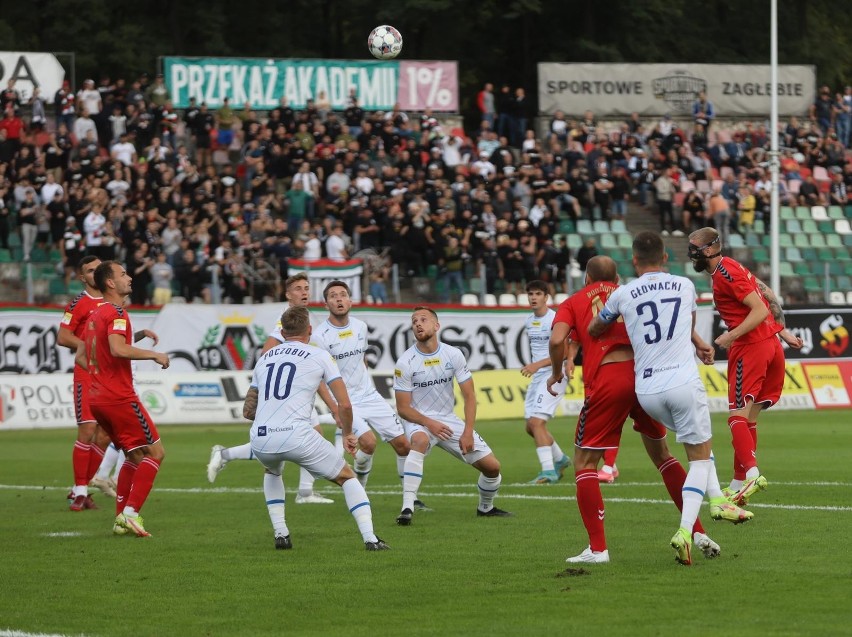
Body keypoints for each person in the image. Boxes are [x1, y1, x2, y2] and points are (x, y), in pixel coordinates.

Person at [588, 233, 752, 565]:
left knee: (700, 445)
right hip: (682, 381)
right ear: (665, 258)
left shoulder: (622, 294)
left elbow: (595, 327)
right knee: (699, 457)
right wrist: (699, 343)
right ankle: (687, 528)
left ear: (634, 261)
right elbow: (683, 323)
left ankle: (719, 496)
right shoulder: (684, 286)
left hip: (647, 392)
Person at [548, 255, 722, 564]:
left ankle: (598, 549)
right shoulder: (628, 292)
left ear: (587, 279)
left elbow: (558, 338)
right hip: (644, 378)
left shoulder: (574, 301)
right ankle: (696, 531)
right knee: (664, 457)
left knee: (584, 463)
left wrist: (557, 371)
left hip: (609, 380)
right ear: (616, 277)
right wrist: (697, 341)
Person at [244, 306, 389, 551]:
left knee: (272, 471)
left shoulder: (265, 358)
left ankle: (281, 534)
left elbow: (248, 411)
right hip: (297, 436)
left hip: (261, 437)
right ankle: (370, 539)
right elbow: (344, 402)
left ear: (283, 331)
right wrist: (349, 433)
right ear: (309, 330)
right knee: (347, 477)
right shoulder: (318, 355)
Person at [687, 227, 804, 505]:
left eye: (694, 251)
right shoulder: (731, 267)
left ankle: (752, 474)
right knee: (748, 419)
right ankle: (738, 484)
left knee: (735, 416)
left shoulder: (725, 274)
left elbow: (761, 308)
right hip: (770, 345)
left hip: (751, 347)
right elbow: (767, 293)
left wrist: (730, 336)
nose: (692, 256)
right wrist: (782, 331)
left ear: (707, 250)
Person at [207, 273, 337, 504]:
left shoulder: (303, 317)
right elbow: (267, 352)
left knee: (296, 438)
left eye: (306, 288)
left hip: (297, 390)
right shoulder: (286, 319)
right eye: (298, 288)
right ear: (287, 294)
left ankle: (226, 454)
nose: (304, 292)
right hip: (289, 392)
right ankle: (304, 493)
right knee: (290, 440)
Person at [314, 281, 429, 517]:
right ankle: (360, 490)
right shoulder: (319, 336)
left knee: (404, 445)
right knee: (368, 443)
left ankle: (411, 498)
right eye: (333, 296)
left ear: (350, 300)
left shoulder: (360, 326)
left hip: (370, 396)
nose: (339, 299)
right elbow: (318, 378)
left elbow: (361, 359)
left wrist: (366, 383)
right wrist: (335, 407)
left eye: (343, 295)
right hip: (347, 401)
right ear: (326, 304)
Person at [393, 307, 512, 525]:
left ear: (436, 326)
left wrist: (467, 432)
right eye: (414, 321)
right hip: (418, 419)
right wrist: (430, 423)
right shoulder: (405, 362)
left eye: (423, 319)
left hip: (447, 419)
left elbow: (469, 396)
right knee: (419, 440)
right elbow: (403, 408)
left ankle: (485, 508)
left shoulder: (453, 354)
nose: (418, 324)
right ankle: (407, 507)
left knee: (493, 467)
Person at [76, 261, 169, 537]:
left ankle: (120, 518)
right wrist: (154, 354)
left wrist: (99, 371)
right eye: (123, 274)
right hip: (119, 396)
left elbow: (81, 356)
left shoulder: (95, 314)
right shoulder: (116, 312)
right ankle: (130, 514)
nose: (129, 278)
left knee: (133, 453)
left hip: (98, 398)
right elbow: (117, 349)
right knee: (156, 453)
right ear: (110, 283)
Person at [57, 256, 110, 510]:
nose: (95, 273)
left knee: (104, 436)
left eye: (98, 269)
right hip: (87, 375)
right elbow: (63, 336)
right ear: (83, 278)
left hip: (109, 376)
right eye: (90, 271)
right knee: (88, 431)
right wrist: (87, 347)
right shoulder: (79, 303)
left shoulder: (112, 300)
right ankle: (80, 491)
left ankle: (82, 487)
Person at [519, 280, 571, 484]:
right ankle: (560, 459)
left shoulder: (555, 320)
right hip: (539, 375)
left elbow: (564, 352)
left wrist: (537, 365)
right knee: (530, 427)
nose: (533, 297)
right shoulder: (528, 321)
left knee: (536, 423)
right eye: (530, 294)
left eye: (538, 293)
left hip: (554, 374)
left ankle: (548, 471)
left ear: (546, 297)